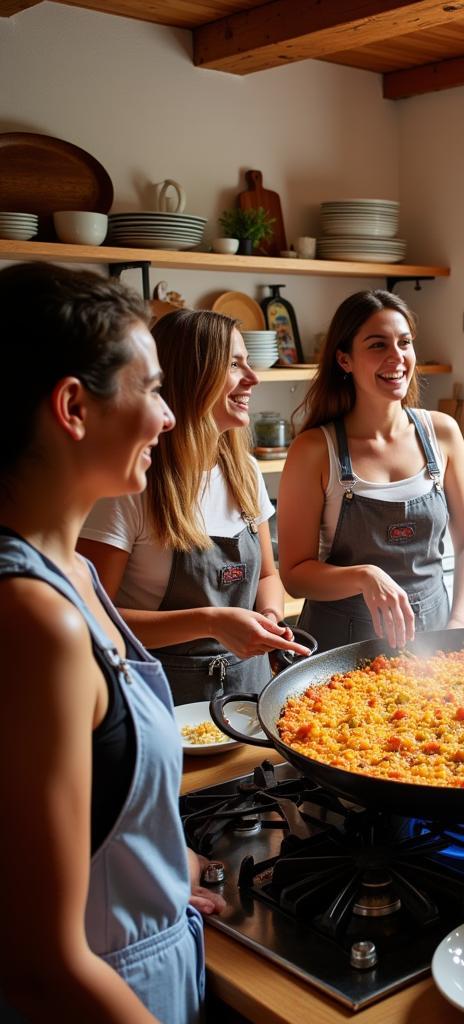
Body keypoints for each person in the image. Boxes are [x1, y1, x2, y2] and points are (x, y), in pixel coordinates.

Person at [0, 263, 224, 1022]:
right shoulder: (36, 621)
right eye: (152, 388)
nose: (168, 416)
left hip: (148, 954)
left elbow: (91, 798)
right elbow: (40, 965)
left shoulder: (76, 578)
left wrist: (161, 866)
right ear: (73, 407)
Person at [78, 309, 308, 705]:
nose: (252, 378)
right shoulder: (131, 485)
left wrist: (269, 621)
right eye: (234, 365)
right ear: (193, 376)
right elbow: (93, 618)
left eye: (248, 363)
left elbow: (268, 576)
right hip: (160, 701)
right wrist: (210, 622)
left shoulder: (245, 471)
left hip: (250, 700)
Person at [277, 289, 464, 648]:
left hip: (435, 635)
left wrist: (460, 621)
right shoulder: (313, 450)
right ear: (344, 360)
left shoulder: (443, 433)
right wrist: (364, 576)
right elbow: (295, 576)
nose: (397, 357)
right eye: (377, 345)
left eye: (404, 343)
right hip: (340, 646)